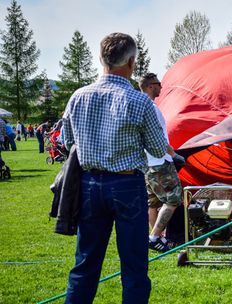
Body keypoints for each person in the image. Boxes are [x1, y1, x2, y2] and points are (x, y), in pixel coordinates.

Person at [62, 33, 169, 304]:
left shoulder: (78, 97)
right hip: (127, 185)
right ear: (131, 62)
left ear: (102, 59)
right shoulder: (139, 101)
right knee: (134, 266)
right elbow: (158, 150)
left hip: (87, 185)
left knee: (85, 264)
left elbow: (67, 142)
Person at [138, 73, 185, 252]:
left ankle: (157, 239)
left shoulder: (139, 106)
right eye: (159, 84)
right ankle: (156, 236)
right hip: (160, 161)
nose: (161, 87)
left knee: (153, 201)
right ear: (150, 86)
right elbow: (157, 137)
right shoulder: (152, 108)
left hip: (147, 163)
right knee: (173, 198)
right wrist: (174, 155)